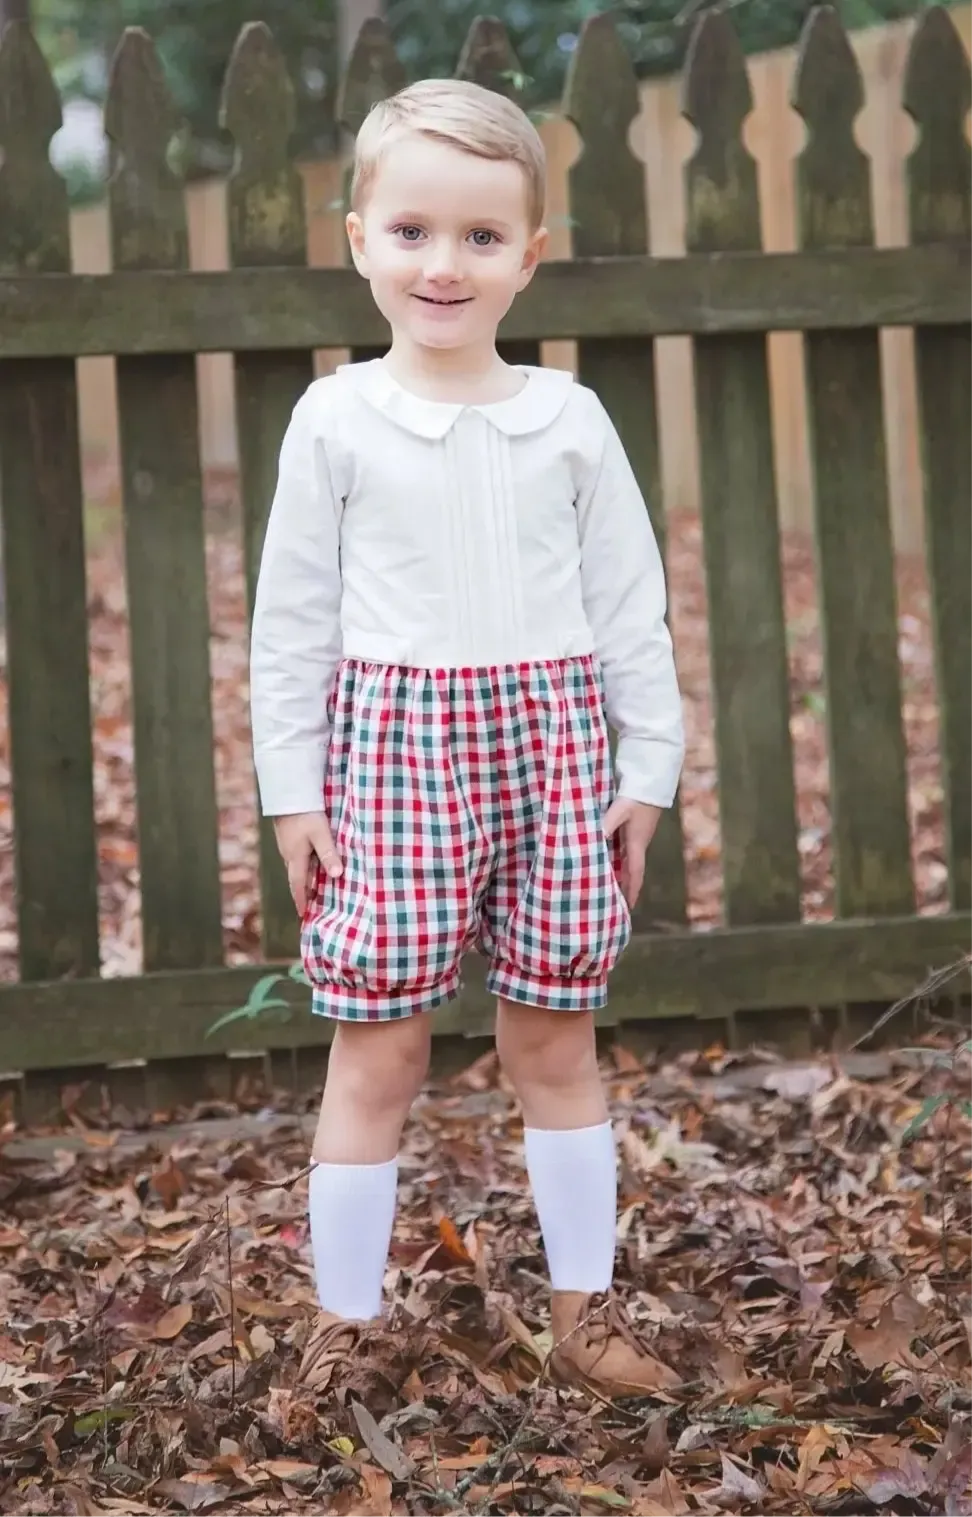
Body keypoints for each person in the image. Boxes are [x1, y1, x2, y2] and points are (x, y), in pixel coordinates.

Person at [249, 76, 685, 1400]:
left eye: (483, 238)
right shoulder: (336, 419)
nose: (446, 264)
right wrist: (292, 793)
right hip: (394, 758)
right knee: (378, 1044)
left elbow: (632, 610)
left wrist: (647, 772)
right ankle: (344, 1321)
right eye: (415, 231)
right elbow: (291, 624)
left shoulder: (569, 422)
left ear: (530, 258)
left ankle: (584, 1312)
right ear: (359, 239)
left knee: (553, 1038)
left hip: (557, 759)